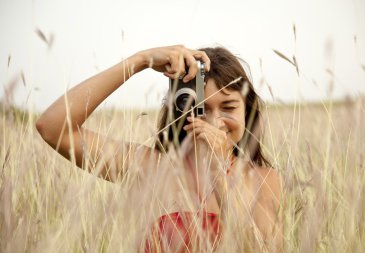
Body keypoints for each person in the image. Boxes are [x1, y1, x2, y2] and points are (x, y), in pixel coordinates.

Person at [36, 45, 283, 252]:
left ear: (247, 112)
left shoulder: (264, 180)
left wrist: (220, 167)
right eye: (201, 108)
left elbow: (263, 246)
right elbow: (53, 128)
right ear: (182, 110)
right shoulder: (149, 166)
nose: (214, 121)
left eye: (228, 107)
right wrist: (140, 61)